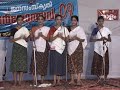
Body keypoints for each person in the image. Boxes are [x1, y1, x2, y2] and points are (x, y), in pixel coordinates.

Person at [48, 14, 69, 86]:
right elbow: (50, 39)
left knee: (60, 64)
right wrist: (57, 36)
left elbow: (67, 39)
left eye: (60, 19)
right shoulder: (52, 28)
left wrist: (62, 37)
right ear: (55, 20)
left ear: (62, 20)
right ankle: (54, 81)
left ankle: (59, 80)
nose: (59, 21)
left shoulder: (64, 29)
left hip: (61, 48)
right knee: (54, 63)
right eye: (57, 19)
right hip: (54, 48)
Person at [9, 15, 30, 86]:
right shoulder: (13, 29)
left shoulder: (25, 29)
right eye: (19, 20)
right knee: (15, 66)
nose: (20, 21)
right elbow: (11, 40)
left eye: (21, 20)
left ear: (23, 21)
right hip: (16, 48)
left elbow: (27, 40)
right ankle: (15, 81)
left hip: (23, 47)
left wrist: (24, 38)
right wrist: (19, 38)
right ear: (17, 21)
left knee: (22, 65)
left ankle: (20, 81)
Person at [90, 16, 112, 80]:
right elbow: (91, 39)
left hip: (104, 48)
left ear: (103, 22)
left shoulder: (106, 29)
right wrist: (99, 39)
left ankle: (105, 77)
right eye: (99, 21)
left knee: (105, 62)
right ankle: (98, 77)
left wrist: (105, 39)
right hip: (97, 48)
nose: (100, 22)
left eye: (102, 21)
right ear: (97, 22)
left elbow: (110, 40)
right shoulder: (95, 30)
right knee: (97, 62)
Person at [67, 15, 87, 86]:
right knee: (71, 63)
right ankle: (72, 80)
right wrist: (72, 39)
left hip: (78, 48)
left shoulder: (80, 29)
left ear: (77, 21)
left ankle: (78, 80)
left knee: (79, 63)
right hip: (70, 48)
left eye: (75, 20)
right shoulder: (68, 28)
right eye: (72, 20)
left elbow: (83, 39)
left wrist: (77, 38)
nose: (73, 21)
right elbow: (67, 39)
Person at [30, 15, 50, 85]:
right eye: (39, 19)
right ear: (37, 20)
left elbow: (49, 39)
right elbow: (31, 39)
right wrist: (37, 36)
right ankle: (34, 79)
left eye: (42, 19)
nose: (40, 21)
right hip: (36, 48)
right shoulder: (33, 28)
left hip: (44, 49)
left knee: (43, 64)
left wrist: (42, 36)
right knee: (34, 64)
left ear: (44, 21)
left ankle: (42, 80)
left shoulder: (47, 29)